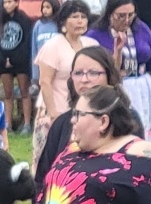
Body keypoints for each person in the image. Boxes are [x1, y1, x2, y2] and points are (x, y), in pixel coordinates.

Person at [90, 0, 151, 140]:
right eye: (121, 16)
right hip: (118, 87)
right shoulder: (95, 35)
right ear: (109, 13)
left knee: (149, 132)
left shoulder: (140, 28)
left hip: (143, 85)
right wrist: (118, 51)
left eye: (130, 15)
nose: (126, 20)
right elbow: (108, 72)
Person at [33, 46, 118, 179]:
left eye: (93, 73)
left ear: (108, 75)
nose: (84, 79)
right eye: (78, 73)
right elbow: (42, 177)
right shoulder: (62, 123)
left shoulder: (125, 119)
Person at [35, 1, 98, 133]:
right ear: (63, 21)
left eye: (83, 17)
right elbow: (44, 81)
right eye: (75, 17)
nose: (80, 21)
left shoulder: (92, 45)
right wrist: (53, 114)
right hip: (57, 109)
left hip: (84, 109)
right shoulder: (53, 45)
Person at [0, 0, 35, 135]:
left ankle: (26, 124)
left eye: (10, 2)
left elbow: (26, 42)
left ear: (16, 3)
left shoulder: (24, 20)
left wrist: (16, 58)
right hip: (4, 62)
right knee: (8, 94)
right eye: (5, 3)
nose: (7, 5)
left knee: (24, 92)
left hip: (20, 61)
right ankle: (7, 124)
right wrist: (2, 59)